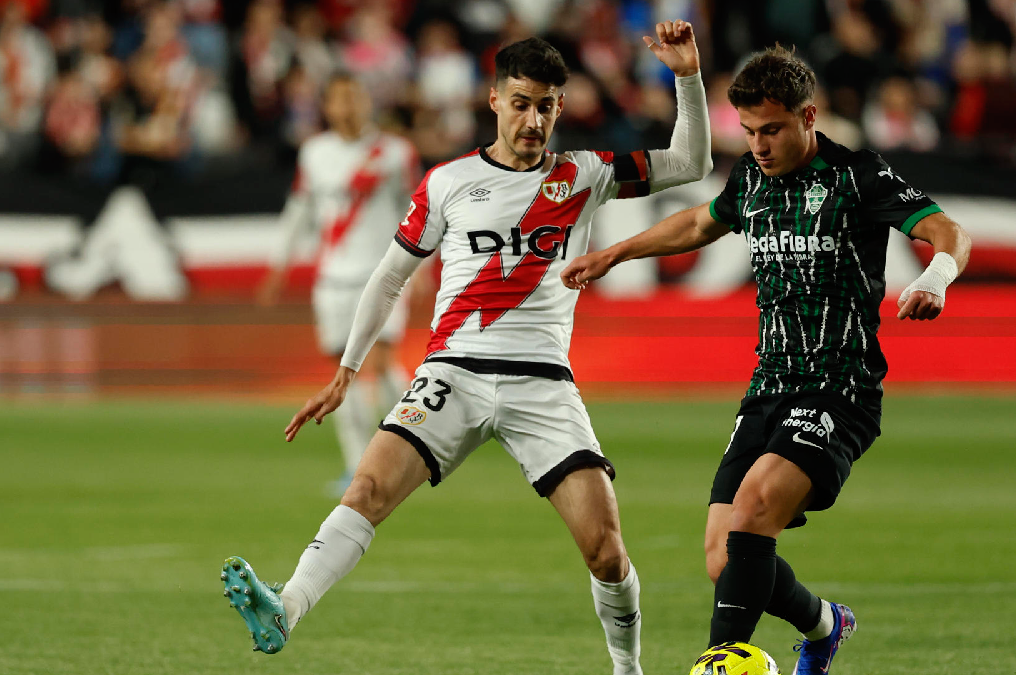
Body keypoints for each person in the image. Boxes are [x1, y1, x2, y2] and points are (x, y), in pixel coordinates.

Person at [222, 22, 713, 675]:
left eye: (545, 105)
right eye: (520, 102)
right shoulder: (448, 182)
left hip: (542, 382)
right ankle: (284, 606)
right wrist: (348, 370)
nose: (532, 118)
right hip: (451, 373)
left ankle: (627, 668)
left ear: (560, 107)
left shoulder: (586, 174)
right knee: (367, 486)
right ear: (494, 100)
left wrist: (687, 77)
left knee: (605, 550)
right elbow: (391, 274)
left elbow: (693, 163)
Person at [561, 46, 972, 675]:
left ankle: (719, 661)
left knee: (754, 510)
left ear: (809, 116)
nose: (758, 145)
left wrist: (937, 279)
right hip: (769, 386)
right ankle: (825, 624)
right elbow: (701, 222)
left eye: (772, 130)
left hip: (841, 387)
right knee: (725, 560)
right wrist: (613, 254)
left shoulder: (856, 174)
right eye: (749, 131)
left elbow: (949, 232)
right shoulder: (751, 177)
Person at [258, 73, 419, 495]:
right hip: (332, 279)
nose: (347, 106)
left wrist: (423, 269)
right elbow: (299, 210)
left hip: (382, 274)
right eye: (338, 99)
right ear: (326, 107)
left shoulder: (395, 152)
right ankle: (357, 466)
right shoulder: (315, 153)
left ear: (368, 101)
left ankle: (416, 449)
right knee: (339, 376)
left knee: (382, 365)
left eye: (354, 96)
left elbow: (418, 212)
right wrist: (280, 265)